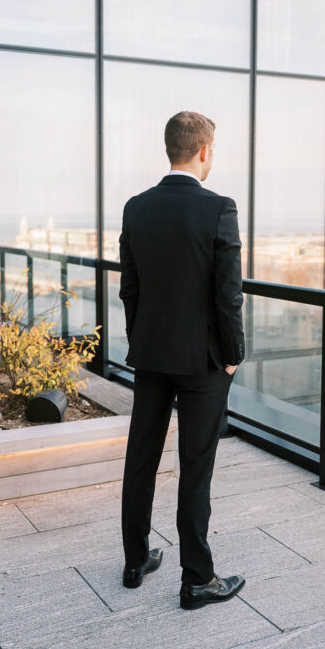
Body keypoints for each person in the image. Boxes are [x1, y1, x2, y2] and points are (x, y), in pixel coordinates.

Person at [119, 111, 247, 611]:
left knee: (141, 461)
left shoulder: (136, 208)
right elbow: (228, 295)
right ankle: (196, 580)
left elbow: (130, 289)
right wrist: (233, 355)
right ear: (204, 152)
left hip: (151, 354)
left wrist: (141, 341)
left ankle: (135, 561)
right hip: (204, 362)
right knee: (196, 468)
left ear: (169, 148)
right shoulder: (219, 209)